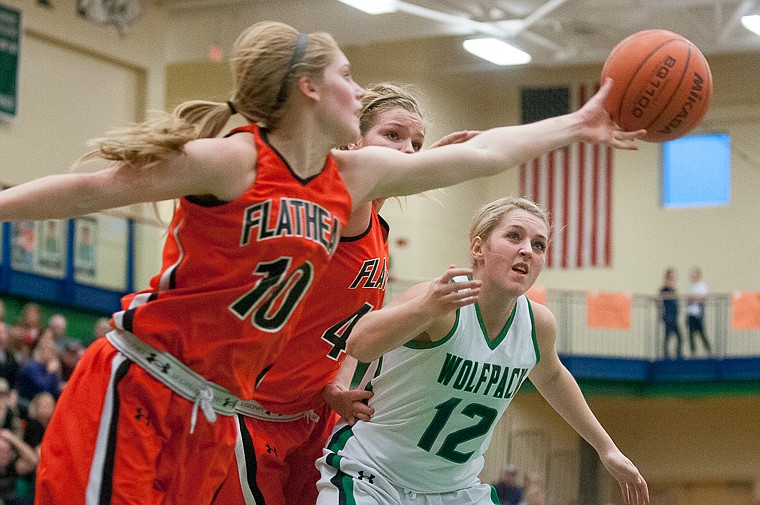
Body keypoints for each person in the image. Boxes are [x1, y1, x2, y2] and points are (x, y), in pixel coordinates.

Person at [0, 20, 643, 504]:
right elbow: (95, 189)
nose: (358, 88)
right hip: (147, 379)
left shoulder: (350, 180)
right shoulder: (238, 160)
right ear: (309, 89)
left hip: (219, 410)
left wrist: (575, 124)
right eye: (346, 76)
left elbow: (482, 157)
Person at [214, 83, 475, 505]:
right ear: (352, 140)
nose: (408, 150)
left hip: (312, 414)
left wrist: (333, 383)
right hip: (253, 413)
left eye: (416, 143)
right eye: (393, 135)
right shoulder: (345, 206)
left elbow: (351, 327)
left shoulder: (375, 223)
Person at [316, 196, 649, 505]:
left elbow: (551, 376)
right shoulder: (442, 301)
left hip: (455, 491)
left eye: (538, 244)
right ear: (478, 247)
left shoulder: (537, 325)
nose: (527, 251)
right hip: (375, 477)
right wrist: (425, 310)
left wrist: (606, 448)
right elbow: (359, 342)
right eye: (514, 237)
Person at [686, 266, 711, 356]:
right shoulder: (690, 286)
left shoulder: (702, 285)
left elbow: (701, 298)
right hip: (690, 312)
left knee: (701, 332)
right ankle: (693, 352)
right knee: (691, 333)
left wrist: (694, 298)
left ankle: (708, 350)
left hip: (698, 313)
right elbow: (689, 298)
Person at [659, 267, 683, 359]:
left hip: (674, 315)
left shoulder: (673, 288)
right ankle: (667, 356)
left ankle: (675, 355)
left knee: (675, 337)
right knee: (670, 336)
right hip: (669, 316)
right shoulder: (665, 288)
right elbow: (661, 298)